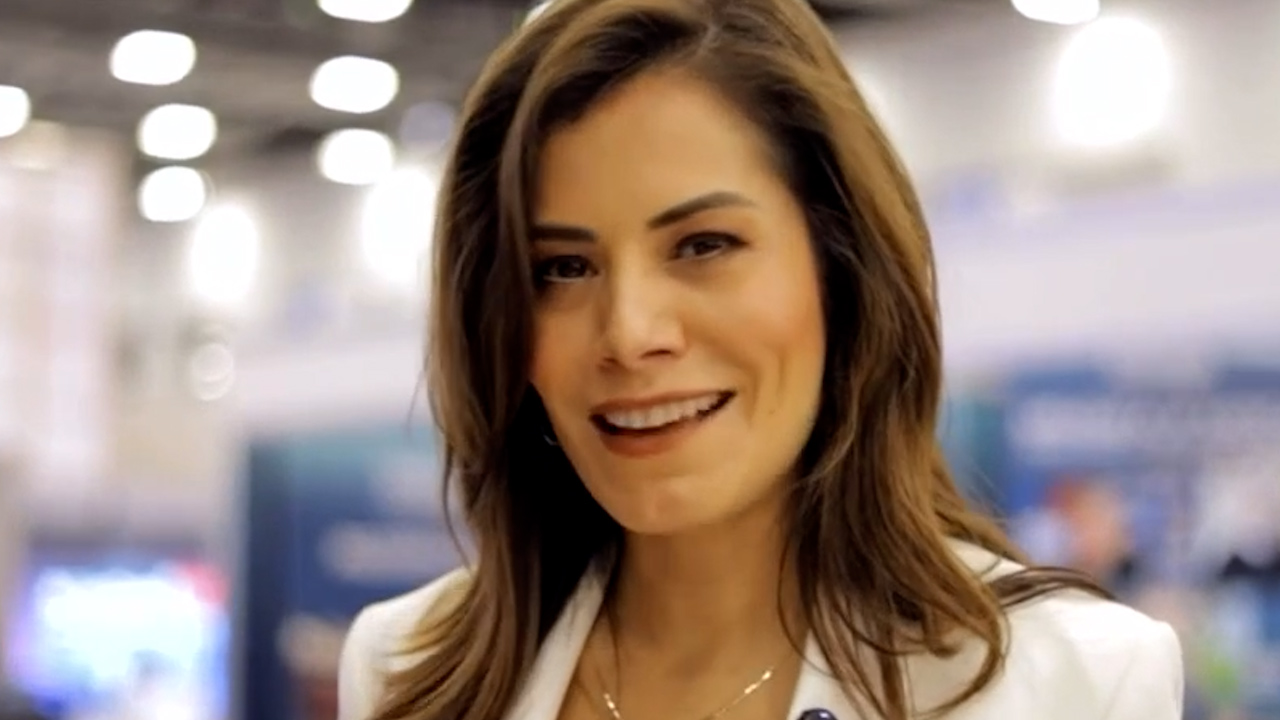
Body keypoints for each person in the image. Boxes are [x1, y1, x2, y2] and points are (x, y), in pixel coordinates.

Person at [337, 1, 1184, 719]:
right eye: (561, 268)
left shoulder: (1070, 682)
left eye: (703, 245)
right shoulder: (404, 669)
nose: (629, 333)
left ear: (841, 268)